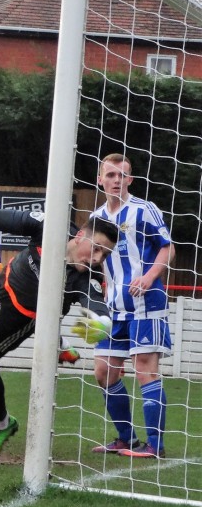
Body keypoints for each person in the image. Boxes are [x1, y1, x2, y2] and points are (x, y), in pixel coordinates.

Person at [0, 209, 118, 463]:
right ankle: (59, 343)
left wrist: (102, 325)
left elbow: (100, 309)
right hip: (6, 281)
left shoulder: (87, 276)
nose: (97, 259)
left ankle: (1, 424)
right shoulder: (50, 226)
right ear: (80, 235)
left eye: (105, 254)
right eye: (96, 248)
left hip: (23, 315)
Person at [90, 153, 173, 459]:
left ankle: (155, 445)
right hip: (113, 308)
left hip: (145, 305)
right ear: (100, 179)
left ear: (130, 180)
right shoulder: (96, 218)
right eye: (110, 175)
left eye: (122, 175)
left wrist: (150, 277)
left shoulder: (143, 210)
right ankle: (126, 439)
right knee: (104, 372)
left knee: (145, 370)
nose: (116, 181)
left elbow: (168, 247)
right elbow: (97, 258)